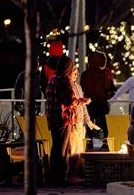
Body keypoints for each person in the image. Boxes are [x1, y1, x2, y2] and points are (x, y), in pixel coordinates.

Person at [45, 55, 89, 185]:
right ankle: (60, 177)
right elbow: (69, 100)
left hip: (52, 119)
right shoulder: (64, 80)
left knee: (56, 147)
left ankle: (54, 175)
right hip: (63, 119)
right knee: (62, 150)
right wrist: (82, 101)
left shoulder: (52, 78)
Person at [66, 65, 100, 176]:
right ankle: (72, 173)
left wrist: (89, 122)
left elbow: (83, 107)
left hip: (80, 122)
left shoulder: (78, 87)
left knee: (80, 150)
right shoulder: (67, 86)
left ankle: (78, 173)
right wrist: (82, 102)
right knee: (74, 151)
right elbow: (74, 102)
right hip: (73, 121)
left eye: (77, 73)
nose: (76, 75)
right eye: (73, 73)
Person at [80, 51, 115, 144]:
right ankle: (105, 141)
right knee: (103, 123)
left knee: (89, 122)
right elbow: (107, 87)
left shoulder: (85, 74)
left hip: (89, 102)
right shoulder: (103, 73)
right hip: (101, 102)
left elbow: (82, 87)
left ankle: (90, 141)